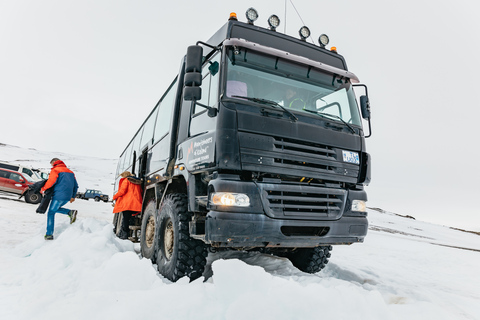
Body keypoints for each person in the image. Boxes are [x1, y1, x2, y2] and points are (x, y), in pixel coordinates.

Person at [41, 158, 79, 240]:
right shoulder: (71, 172)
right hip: (67, 197)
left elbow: (51, 182)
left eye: (51, 164)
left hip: (58, 196)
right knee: (54, 209)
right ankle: (70, 212)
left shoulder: (56, 170)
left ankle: (49, 234)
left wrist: (43, 188)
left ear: (54, 163)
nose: (51, 166)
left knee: (51, 213)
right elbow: (76, 186)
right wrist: (73, 196)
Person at [112, 171, 143, 240]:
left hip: (128, 204)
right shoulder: (137, 182)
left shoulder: (126, 180)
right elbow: (140, 191)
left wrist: (114, 197)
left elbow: (122, 191)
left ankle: (125, 235)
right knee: (131, 219)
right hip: (136, 204)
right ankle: (130, 234)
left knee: (125, 219)